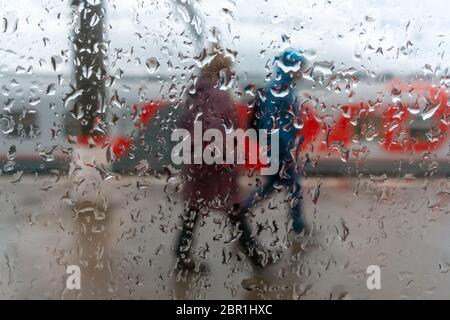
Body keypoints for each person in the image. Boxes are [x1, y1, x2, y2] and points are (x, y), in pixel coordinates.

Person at [175, 51, 269, 271]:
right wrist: (229, 160)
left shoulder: (196, 92)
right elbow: (215, 131)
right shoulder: (217, 96)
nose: (233, 72)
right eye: (229, 68)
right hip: (215, 168)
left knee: (195, 210)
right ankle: (255, 256)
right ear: (221, 71)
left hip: (198, 164)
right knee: (233, 210)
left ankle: (181, 254)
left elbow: (187, 126)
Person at [241, 49, 306, 235]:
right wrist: (284, 149)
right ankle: (298, 227)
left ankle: (243, 210)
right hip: (279, 149)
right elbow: (271, 123)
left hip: (279, 148)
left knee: (272, 186)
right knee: (294, 186)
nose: (302, 71)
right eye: (300, 67)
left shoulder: (283, 86)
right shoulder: (279, 89)